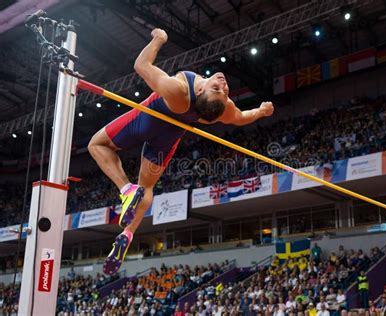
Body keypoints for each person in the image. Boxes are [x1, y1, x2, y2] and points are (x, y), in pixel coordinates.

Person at [88, 28, 274, 275]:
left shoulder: (179, 89)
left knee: (96, 144)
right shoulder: (223, 108)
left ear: (200, 91)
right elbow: (240, 117)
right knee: (148, 188)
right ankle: (129, 232)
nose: (224, 86)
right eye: (223, 89)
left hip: (145, 120)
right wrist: (260, 111)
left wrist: (158, 40)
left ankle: (125, 192)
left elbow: (141, 65)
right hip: (167, 140)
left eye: (221, 90)